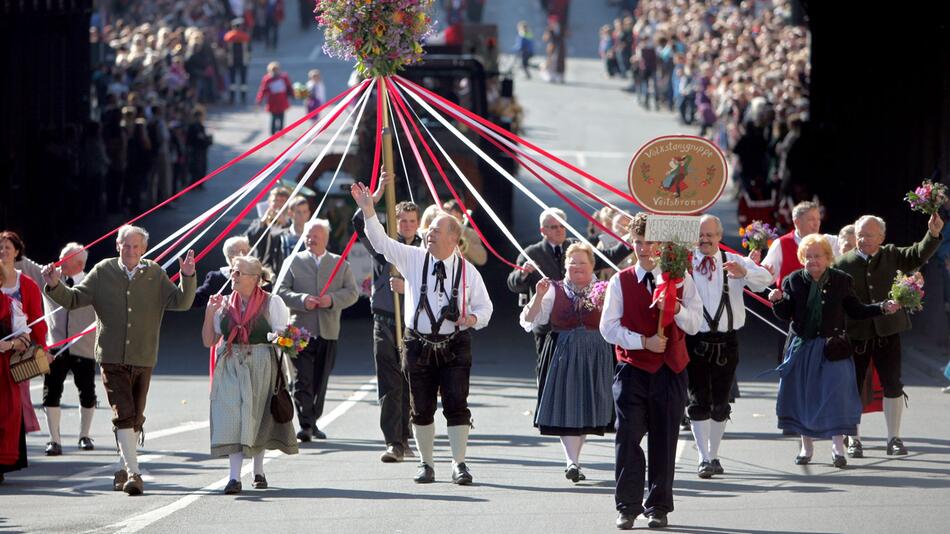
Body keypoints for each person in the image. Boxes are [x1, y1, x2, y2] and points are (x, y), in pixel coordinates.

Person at [351, 181, 493, 485]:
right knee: (422, 407)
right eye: (428, 230)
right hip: (418, 344)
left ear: (454, 238)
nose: (428, 233)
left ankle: (459, 464)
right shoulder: (413, 258)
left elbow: (486, 309)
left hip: (456, 343)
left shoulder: (469, 271)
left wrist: (472, 318)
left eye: (436, 231)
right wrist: (368, 210)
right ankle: (426, 464)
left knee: (457, 405)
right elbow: (381, 244)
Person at [42, 225, 196, 496]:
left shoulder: (154, 274)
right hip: (111, 357)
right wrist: (54, 284)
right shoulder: (103, 271)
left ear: (144, 249)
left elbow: (182, 302)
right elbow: (75, 299)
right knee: (122, 412)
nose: (131, 251)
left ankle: (123, 467)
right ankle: (135, 473)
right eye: (126, 245)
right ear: (117, 246)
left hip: (144, 355)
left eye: (136, 246)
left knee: (135, 416)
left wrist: (187, 275)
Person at [600, 213, 703, 530]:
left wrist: (674, 308)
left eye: (651, 243)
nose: (645, 249)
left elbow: (696, 324)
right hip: (632, 370)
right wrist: (642, 340)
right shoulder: (621, 280)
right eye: (638, 243)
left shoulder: (681, 279)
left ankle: (658, 506)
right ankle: (627, 506)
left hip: (670, 371)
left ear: (662, 245)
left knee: (664, 438)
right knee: (628, 436)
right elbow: (608, 328)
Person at [769, 234, 899, 468]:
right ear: (802, 258)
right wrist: (777, 300)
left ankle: (837, 449)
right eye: (808, 257)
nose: (812, 261)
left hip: (833, 348)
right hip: (802, 348)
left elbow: (856, 310)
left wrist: (882, 307)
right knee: (804, 397)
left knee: (835, 397)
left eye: (817, 256)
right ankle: (806, 448)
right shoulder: (793, 281)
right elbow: (785, 313)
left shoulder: (842, 280)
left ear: (828, 258)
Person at [833, 213, 943, 457]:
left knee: (893, 384)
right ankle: (854, 438)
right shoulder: (842, 264)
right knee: (853, 387)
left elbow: (917, 254)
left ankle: (894, 438)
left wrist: (932, 234)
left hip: (888, 331)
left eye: (869, 235)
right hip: (857, 334)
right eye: (860, 234)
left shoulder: (892, 254)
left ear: (882, 237)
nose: (863, 239)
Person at [202, 256, 298, 494]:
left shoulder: (272, 303)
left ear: (255, 279)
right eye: (233, 272)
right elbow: (209, 341)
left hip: (261, 362)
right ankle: (234, 478)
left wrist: (283, 339)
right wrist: (208, 312)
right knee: (232, 416)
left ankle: (258, 469)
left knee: (257, 415)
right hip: (230, 363)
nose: (233, 276)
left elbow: (282, 337)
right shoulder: (222, 303)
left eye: (239, 273)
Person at [520, 243, 613, 483]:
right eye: (572, 263)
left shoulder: (606, 288)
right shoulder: (553, 289)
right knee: (568, 405)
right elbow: (530, 319)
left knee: (585, 406)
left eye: (582, 263)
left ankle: (575, 458)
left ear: (592, 265)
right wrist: (538, 296)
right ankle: (572, 461)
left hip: (596, 353)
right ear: (565, 266)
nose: (577, 267)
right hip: (563, 352)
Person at [687, 215, 771, 478]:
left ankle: (714, 453)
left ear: (719, 237)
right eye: (701, 235)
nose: (705, 239)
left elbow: (766, 280)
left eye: (710, 234)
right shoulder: (685, 262)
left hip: (727, 341)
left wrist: (745, 272)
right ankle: (703, 457)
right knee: (698, 400)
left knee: (721, 403)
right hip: (695, 341)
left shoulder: (734, 261)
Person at [352, 175, 422, 462]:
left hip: (416, 323)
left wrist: (409, 287)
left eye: (411, 221)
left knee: (412, 381)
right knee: (390, 380)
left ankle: (409, 435)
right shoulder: (384, 246)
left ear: (418, 223)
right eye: (401, 221)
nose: (406, 226)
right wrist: (377, 195)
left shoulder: (425, 250)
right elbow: (360, 224)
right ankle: (393, 441)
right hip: (385, 319)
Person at [277, 219, 359, 442]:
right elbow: (279, 291)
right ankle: (306, 424)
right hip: (297, 331)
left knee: (320, 380)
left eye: (316, 237)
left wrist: (331, 300)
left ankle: (313, 421)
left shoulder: (340, 264)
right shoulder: (292, 261)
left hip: (328, 331)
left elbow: (353, 293)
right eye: (308, 236)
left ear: (326, 239)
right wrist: (302, 300)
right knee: (301, 379)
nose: (310, 240)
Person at [17, 243, 98, 456]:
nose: (57, 263)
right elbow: (25, 264)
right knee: (51, 392)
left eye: (64, 260)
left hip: (84, 346)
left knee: (87, 392)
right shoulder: (49, 276)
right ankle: (54, 440)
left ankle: (84, 435)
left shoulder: (93, 282)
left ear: (79, 264)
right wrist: (11, 247)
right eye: (59, 258)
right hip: (55, 347)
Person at [0, 231, 48, 443]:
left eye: (7, 248)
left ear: (17, 252)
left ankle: (11, 450)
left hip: (16, 350)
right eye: (0, 248)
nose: (2, 252)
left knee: (15, 402)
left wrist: (43, 349)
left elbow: (38, 321)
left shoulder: (27, 284)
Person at [760, 201, 840, 285]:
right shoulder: (781, 244)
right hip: (790, 297)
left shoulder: (829, 241)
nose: (816, 224)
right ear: (797, 222)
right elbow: (764, 279)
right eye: (811, 219)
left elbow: (849, 256)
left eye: (818, 219)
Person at [0, 291, 32, 484]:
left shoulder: (10, 305)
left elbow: (25, 341)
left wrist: (9, 344)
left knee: (4, 416)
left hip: (3, 374)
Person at [194, 236, 252, 309]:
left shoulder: (259, 275)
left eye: (249, 250)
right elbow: (195, 300)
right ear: (231, 256)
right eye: (243, 252)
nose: (249, 254)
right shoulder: (217, 278)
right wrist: (187, 277)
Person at [245, 186, 292, 274]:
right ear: (269, 202)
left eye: (282, 201)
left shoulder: (291, 223)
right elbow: (249, 239)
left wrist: (285, 224)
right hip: (260, 267)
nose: (278, 204)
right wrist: (262, 222)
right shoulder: (258, 221)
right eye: (275, 201)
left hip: (281, 267)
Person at [442, 199, 487, 266]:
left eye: (456, 215)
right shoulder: (438, 232)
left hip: (463, 273)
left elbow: (482, 259)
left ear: (460, 216)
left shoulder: (470, 233)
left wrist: (464, 239)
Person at [256, 61, 293, 135]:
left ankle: (281, 131)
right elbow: (263, 90)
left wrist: (292, 94)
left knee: (281, 117)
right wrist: (259, 99)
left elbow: (289, 87)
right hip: (272, 101)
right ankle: (272, 133)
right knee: (273, 117)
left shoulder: (283, 77)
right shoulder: (267, 79)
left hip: (282, 100)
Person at [223, 18, 252, 105]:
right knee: (243, 80)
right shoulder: (245, 36)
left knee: (232, 81)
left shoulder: (228, 36)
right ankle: (243, 97)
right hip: (243, 61)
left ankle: (232, 98)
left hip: (232, 61)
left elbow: (225, 49)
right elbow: (249, 50)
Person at [280, 195, 311, 263]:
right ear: (290, 213)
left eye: (305, 211)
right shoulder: (282, 237)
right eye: (298, 212)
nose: (302, 215)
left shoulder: (314, 236)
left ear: (309, 213)